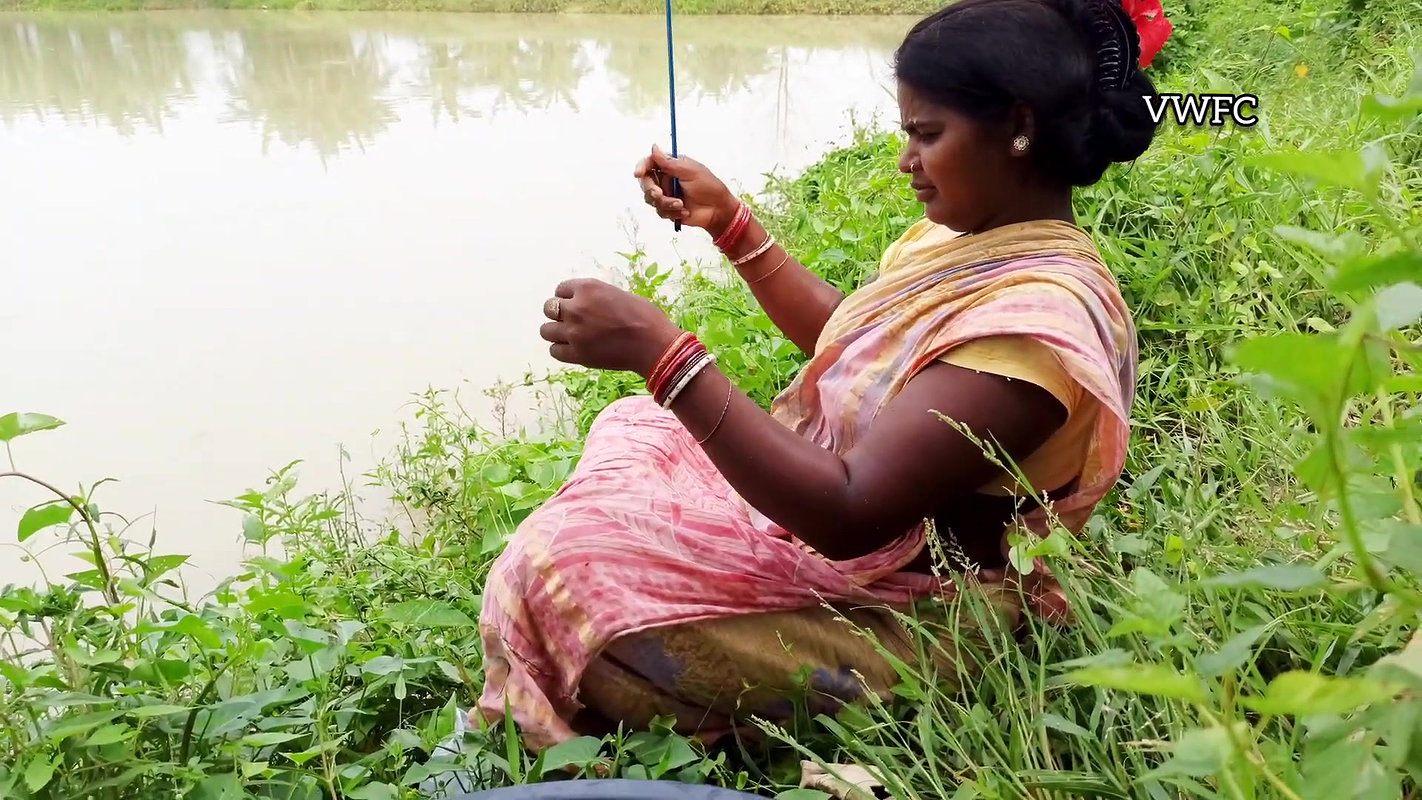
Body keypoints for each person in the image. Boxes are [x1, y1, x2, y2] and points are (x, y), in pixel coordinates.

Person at [474, 0, 1171, 752]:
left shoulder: (1032, 330)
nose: (906, 160)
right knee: (636, 426)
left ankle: (721, 706)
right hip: (859, 550)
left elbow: (848, 511)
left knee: (563, 571)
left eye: (927, 134)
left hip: (916, 612)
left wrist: (664, 354)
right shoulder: (971, 240)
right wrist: (730, 223)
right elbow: (856, 342)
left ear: (1019, 128)